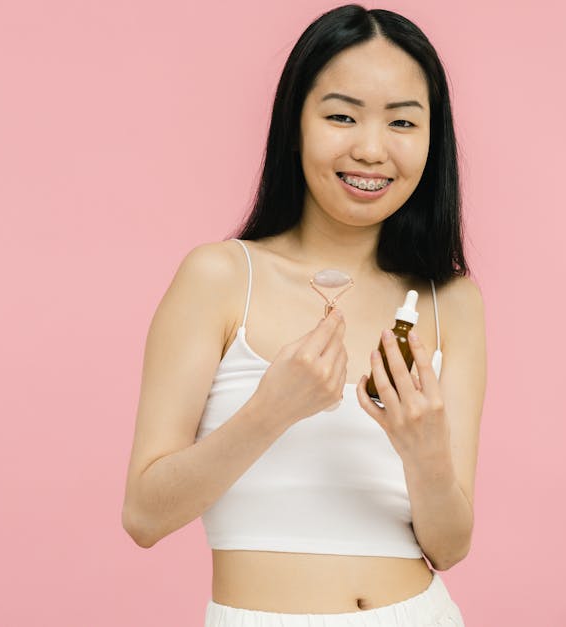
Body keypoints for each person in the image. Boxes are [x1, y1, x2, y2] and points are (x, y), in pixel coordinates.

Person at [122, 5, 486, 626]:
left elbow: (449, 548)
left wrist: (423, 449)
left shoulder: (449, 301)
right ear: (294, 124)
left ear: (432, 139)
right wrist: (270, 412)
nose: (371, 149)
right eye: (342, 116)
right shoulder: (219, 278)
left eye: (402, 122)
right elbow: (145, 516)